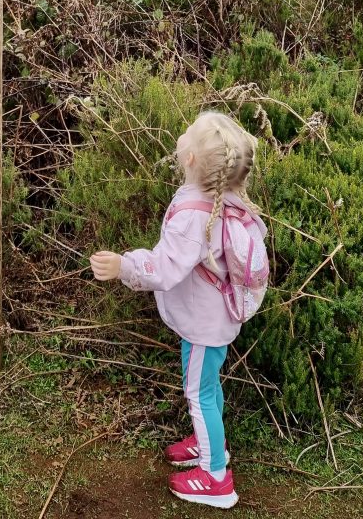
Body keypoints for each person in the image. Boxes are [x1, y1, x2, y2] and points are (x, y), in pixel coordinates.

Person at [90, 111, 267, 509]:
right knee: (207, 387)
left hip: (205, 323)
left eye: (188, 131)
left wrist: (124, 266)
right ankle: (211, 444)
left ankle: (216, 476)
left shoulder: (195, 215)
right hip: (215, 318)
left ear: (189, 158)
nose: (182, 132)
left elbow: (165, 266)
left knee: (198, 391)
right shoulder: (224, 197)